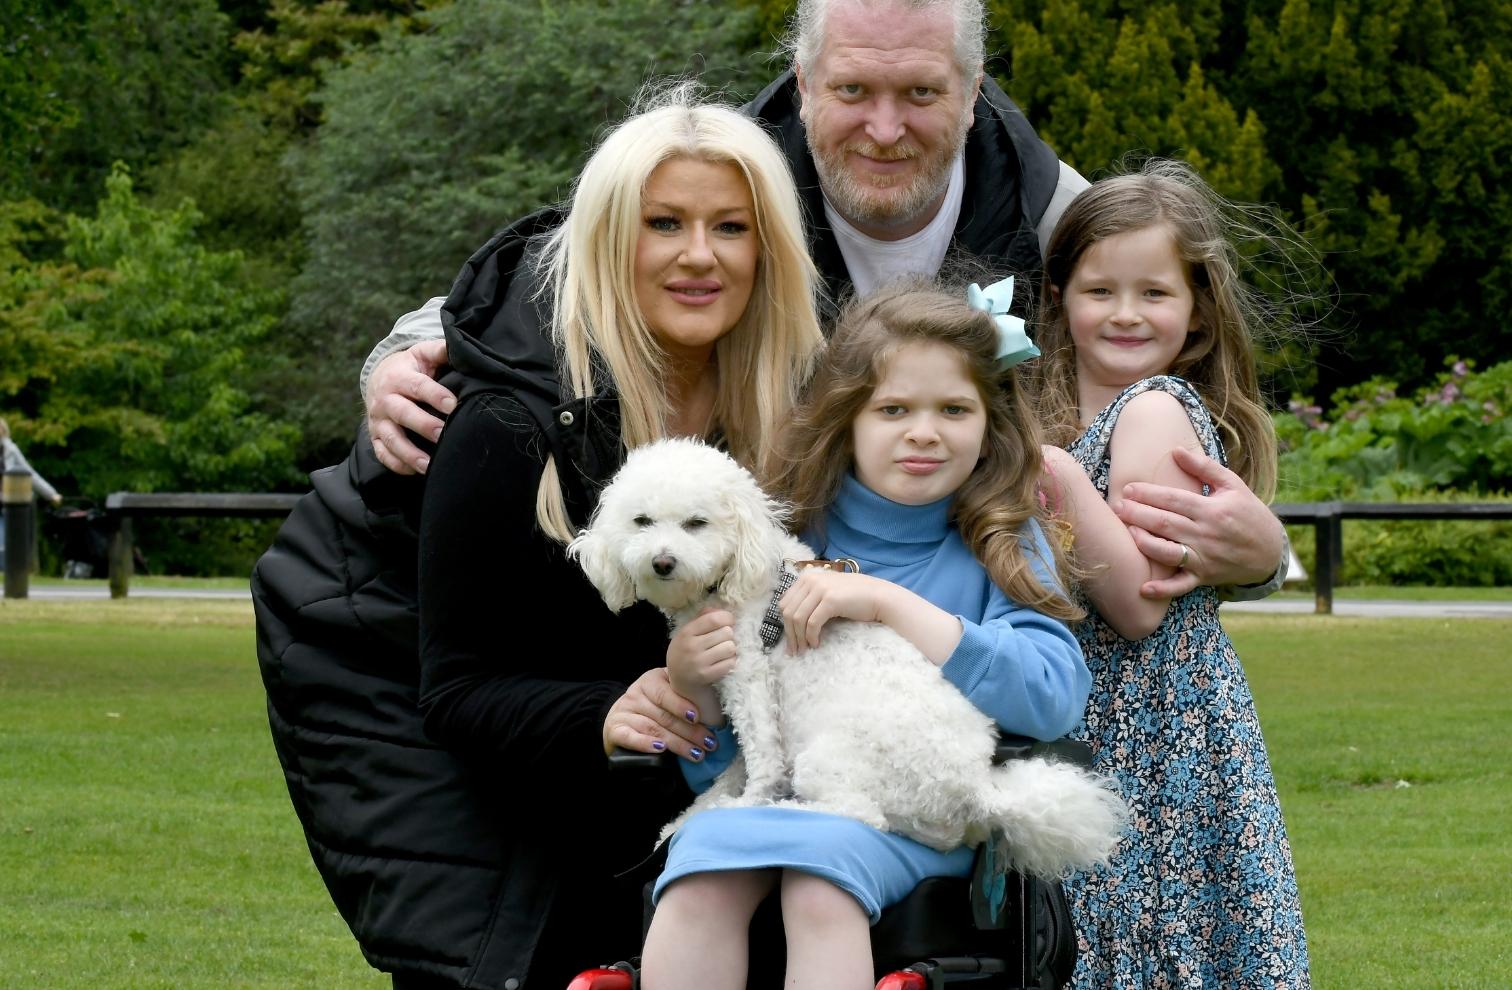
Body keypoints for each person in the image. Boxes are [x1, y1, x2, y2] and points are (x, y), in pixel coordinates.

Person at [356, 0, 1288, 606]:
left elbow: (1197, 391)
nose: (884, 128)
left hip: (988, 620)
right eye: (852, 89)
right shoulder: (725, 183)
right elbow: (564, 267)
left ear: (972, 91)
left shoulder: (1061, 220)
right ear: (803, 85)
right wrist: (395, 357)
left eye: (920, 92)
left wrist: (1261, 560)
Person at [252, 84, 825, 990]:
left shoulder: (787, 403)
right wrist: (606, 711)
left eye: (731, 227)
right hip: (499, 796)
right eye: (664, 224)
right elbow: (457, 688)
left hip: (681, 797)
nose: (699, 255)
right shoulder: (506, 424)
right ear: (609, 239)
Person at [640, 277, 1092, 990]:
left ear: (990, 420)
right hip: (782, 798)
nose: (924, 432)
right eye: (893, 409)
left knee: (818, 881)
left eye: (954, 409)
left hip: (917, 815)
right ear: (846, 417)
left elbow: (1053, 698)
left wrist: (890, 604)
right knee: (700, 867)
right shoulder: (787, 540)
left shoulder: (1000, 540)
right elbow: (718, 766)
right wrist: (693, 682)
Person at [1033, 160, 1310, 987]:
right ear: (1059, 298)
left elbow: (1140, 604)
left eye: (1154, 292)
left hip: (1155, 725)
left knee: (1151, 933)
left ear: (1196, 312)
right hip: (1095, 715)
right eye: (1100, 290)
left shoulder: (1153, 410)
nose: (1126, 313)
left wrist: (1055, 473)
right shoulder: (1055, 413)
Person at [0, 417, 63, 570]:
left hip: (8, 502)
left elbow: (29, 474)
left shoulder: (11, 450)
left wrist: (51, 494)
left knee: (6, 540)